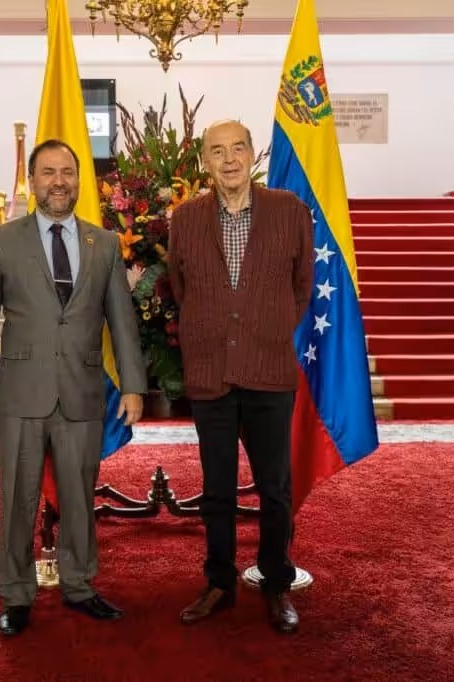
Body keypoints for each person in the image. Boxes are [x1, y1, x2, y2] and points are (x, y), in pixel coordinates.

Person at [0, 138, 147, 637]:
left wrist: (132, 385)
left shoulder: (103, 244)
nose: (58, 181)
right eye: (48, 172)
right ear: (33, 180)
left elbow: (121, 322)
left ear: (79, 182)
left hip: (84, 393)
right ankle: (16, 594)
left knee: (79, 497)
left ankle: (81, 586)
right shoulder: (3, 241)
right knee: (17, 498)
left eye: (67, 172)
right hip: (20, 394)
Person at [168, 120, 314, 634]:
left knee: (275, 487)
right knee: (216, 489)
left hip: (269, 370)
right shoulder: (183, 219)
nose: (228, 158)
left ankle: (276, 582)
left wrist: (265, 329)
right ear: (203, 161)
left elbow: (302, 288)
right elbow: (182, 289)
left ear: (252, 154)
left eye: (238, 148)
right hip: (211, 372)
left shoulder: (290, 212)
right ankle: (220, 582)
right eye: (216, 150)